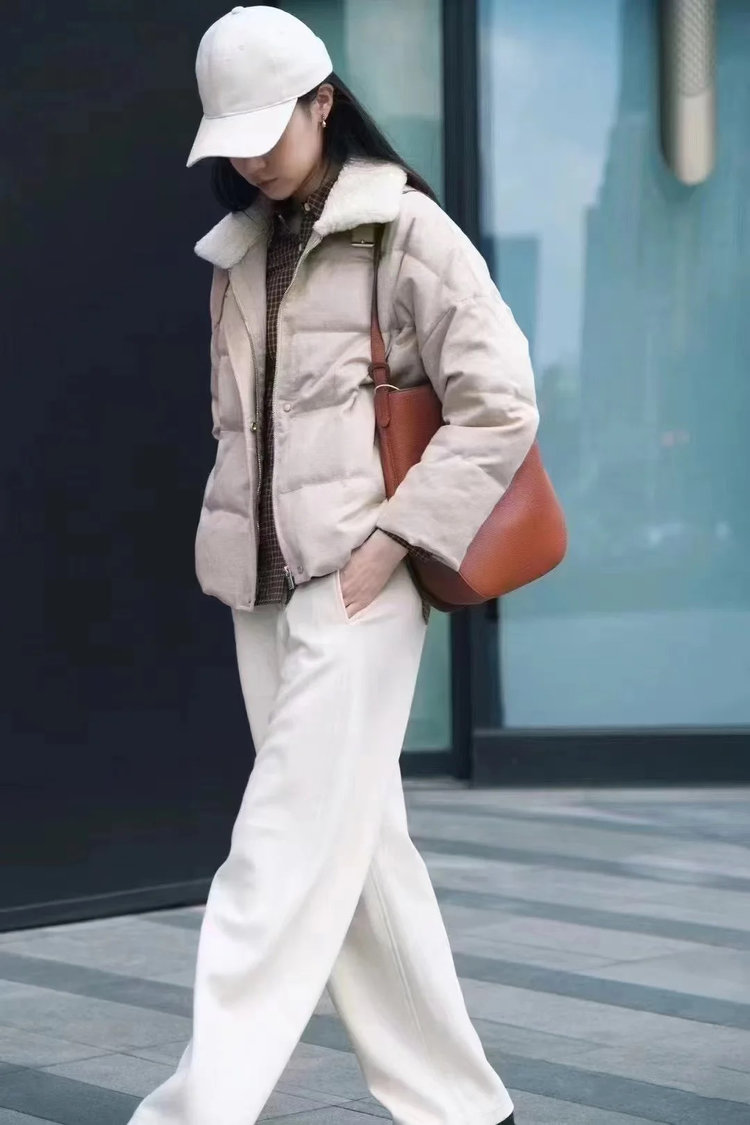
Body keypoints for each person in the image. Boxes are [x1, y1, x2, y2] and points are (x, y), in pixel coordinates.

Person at [127, 6, 538, 1125]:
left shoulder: (406, 232)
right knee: (361, 859)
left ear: (323, 102)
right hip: (261, 594)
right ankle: (463, 1105)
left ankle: (192, 1112)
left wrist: (397, 538)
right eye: (232, 141)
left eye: (268, 131)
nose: (251, 160)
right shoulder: (240, 255)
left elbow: (502, 403)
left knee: (274, 858)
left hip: (361, 586)